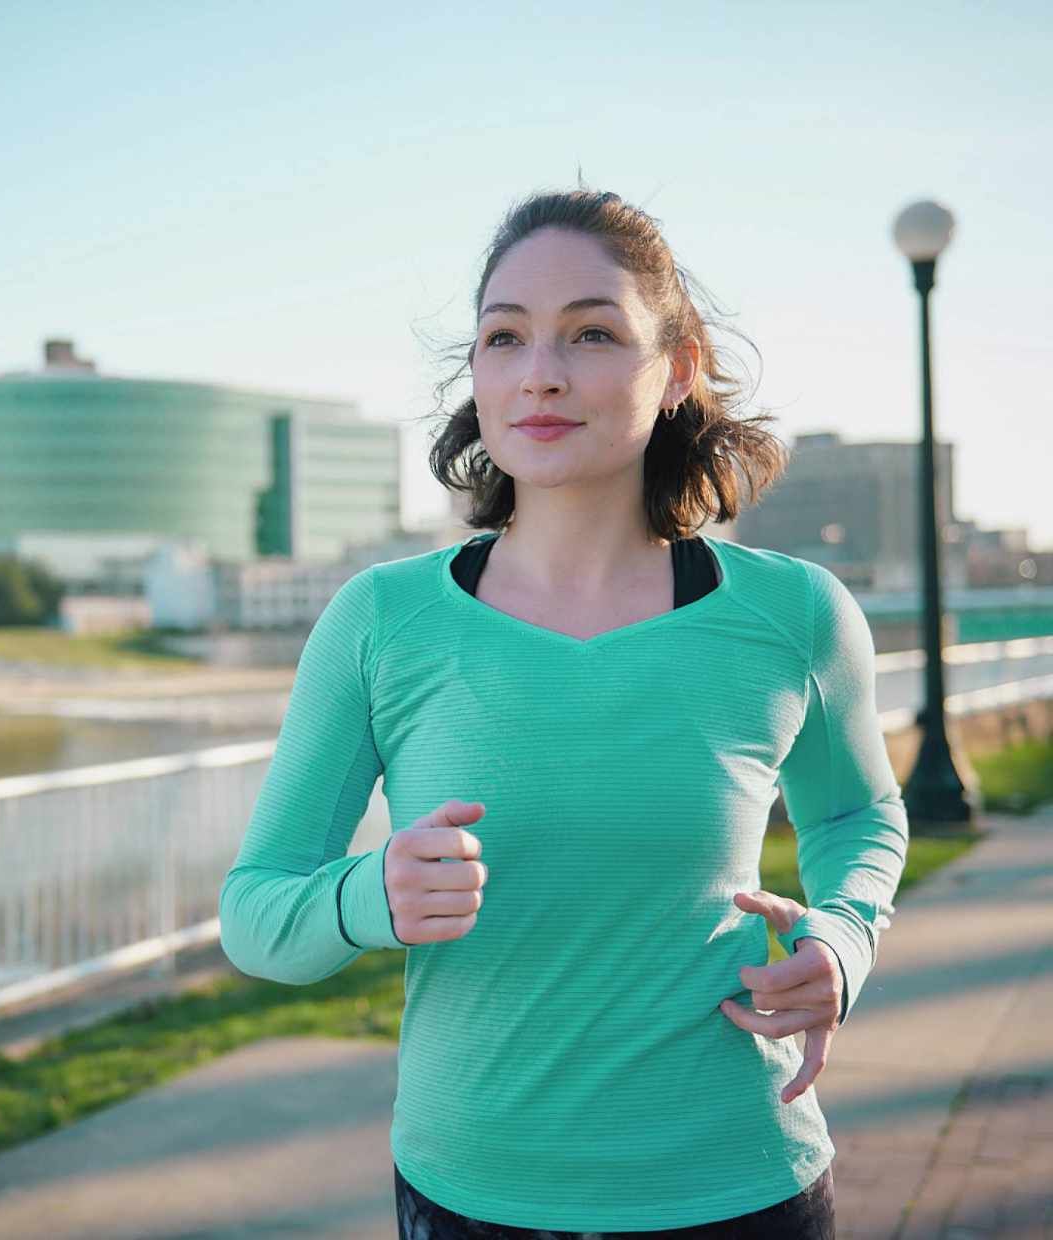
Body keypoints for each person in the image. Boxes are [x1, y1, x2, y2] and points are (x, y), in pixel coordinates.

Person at [219, 187, 909, 1238]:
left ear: (675, 369)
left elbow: (858, 817)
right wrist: (371, 896)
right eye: (504, 337)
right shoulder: (380, 619)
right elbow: (256, 914)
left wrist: (843, 941)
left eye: (591, 332)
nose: (538, 370)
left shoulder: (794, 614)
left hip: (740, 1184)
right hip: (469, 1197)